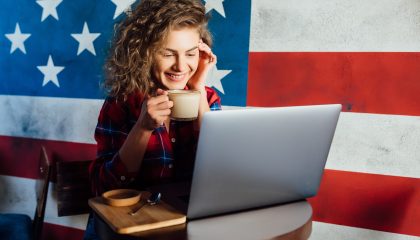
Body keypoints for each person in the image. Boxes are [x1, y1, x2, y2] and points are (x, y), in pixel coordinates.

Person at [83, 0, 221, 239]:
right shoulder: (121, 102)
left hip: (183, 227)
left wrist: (198, 90)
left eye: (190, 54)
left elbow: (223, 172)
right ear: (144, 54)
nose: (180, 66)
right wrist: (143, 127)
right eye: (167, 53)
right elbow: (103, 190)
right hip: (127, 230)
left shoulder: (207, 98)